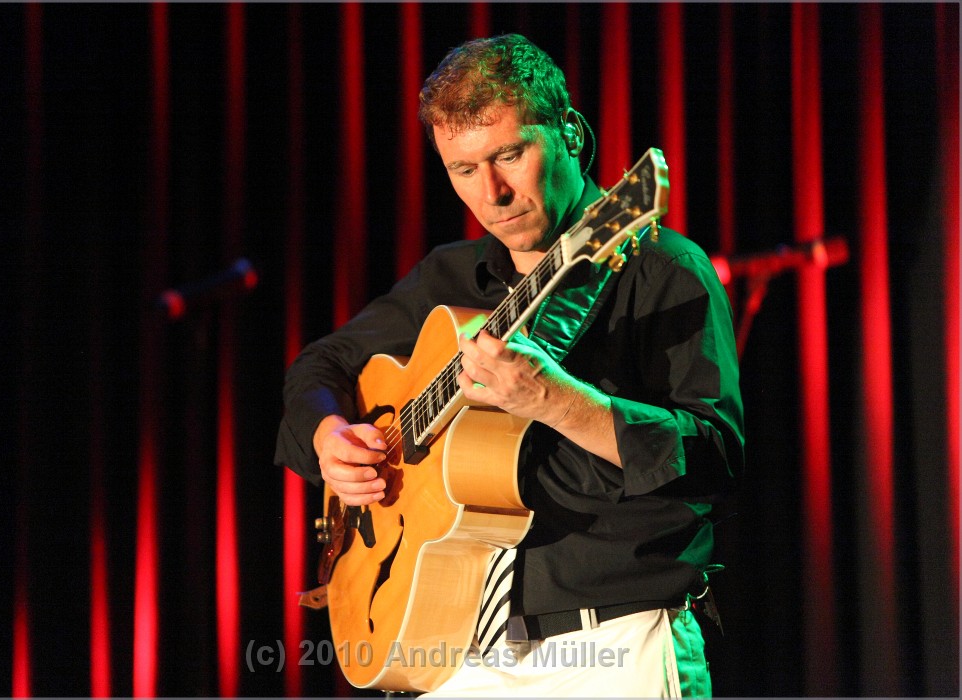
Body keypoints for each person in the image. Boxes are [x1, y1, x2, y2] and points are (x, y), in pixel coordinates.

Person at [275, 33, 744, 697]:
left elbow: (715, 458)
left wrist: (558, 401)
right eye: (463, 170)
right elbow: (319, 366)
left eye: (510, 155)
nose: (492, 193)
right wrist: (329, 436)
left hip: (613, 641)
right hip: (452, 654)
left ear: (571, 134)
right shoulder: (446, 278)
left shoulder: (664, 270)